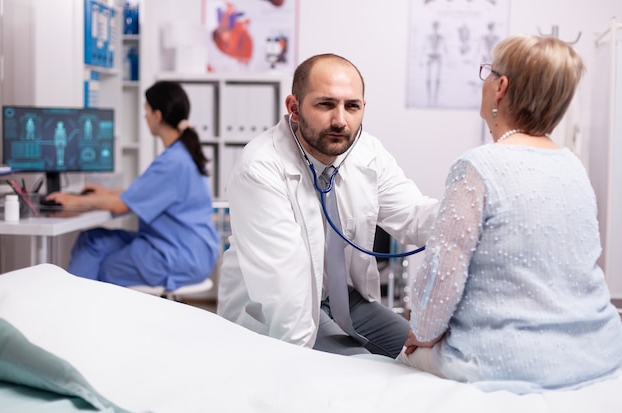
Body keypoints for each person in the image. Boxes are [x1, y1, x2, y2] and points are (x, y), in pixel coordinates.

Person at [398, 35, 622, 393]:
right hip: (598, 350)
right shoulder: (572, 166)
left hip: (505, 359)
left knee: (402, 359)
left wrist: (422, 335)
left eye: (488, 72)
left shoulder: (477, 166)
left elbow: (442, 277)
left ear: (501, 87)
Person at [216, 53, 439, 358]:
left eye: (352, 106)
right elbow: (286, 294)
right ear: (294, 108)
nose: (340, 120)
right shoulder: (260, 167)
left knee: (431, 357)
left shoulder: (368, 153)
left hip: (346, 302)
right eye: (325, 104)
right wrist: (303, 370)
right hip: (283, 308)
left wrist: (469, 213)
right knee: (361, 372)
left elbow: (414, 216)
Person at [45, 81, 220, 291]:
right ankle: (71, 301)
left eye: (146, 110)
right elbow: (142, 194)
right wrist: (105, 193)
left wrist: (76, 200)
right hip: (189, 248)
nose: (144, 116)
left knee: (107, 268)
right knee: (92, 239)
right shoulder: (181, 154)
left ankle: (75, 308)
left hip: (179, 254)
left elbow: (121, 206)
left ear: (158, 115)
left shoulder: (172, 163)